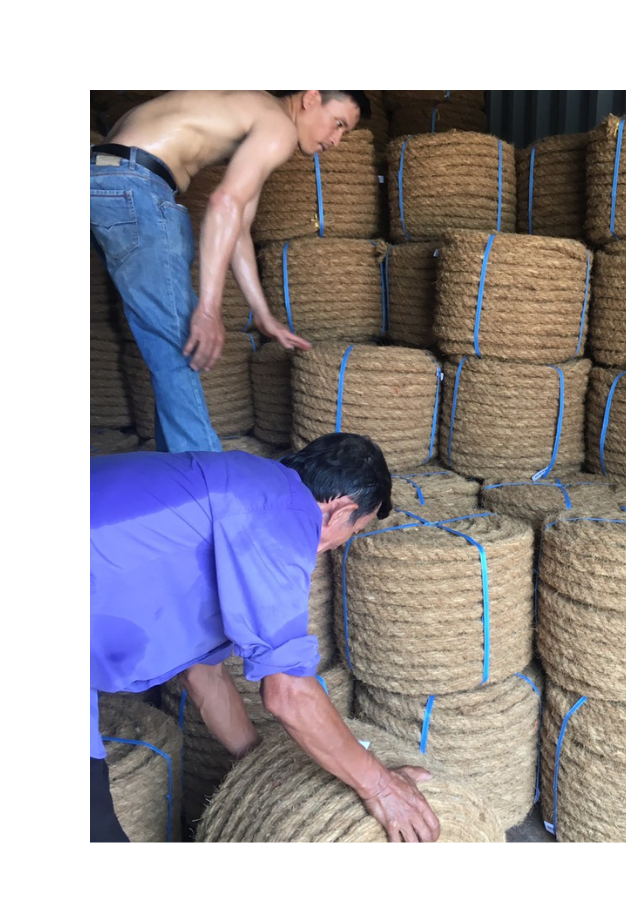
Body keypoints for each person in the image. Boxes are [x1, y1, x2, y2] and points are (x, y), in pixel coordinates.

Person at [90, 432, 441, 843]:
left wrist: (257, 763)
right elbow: (288, 692)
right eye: (356, 529)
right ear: (341, 511)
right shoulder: (283, 512)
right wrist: (380, 786)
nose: (338, 546)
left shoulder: (244, 488)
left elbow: (205, 677)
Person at [90, 90, 371, 453]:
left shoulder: (253, 110)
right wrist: (208, 309)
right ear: (312, 97)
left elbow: (237, 230)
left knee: (166, 339)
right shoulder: (279, 127)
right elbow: (224, 202)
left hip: (101, 176)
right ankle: (203, 476)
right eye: (338, 124)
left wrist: (264, 316)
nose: (335, 140)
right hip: (135, 186)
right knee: (180, 344)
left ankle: (174, 466)